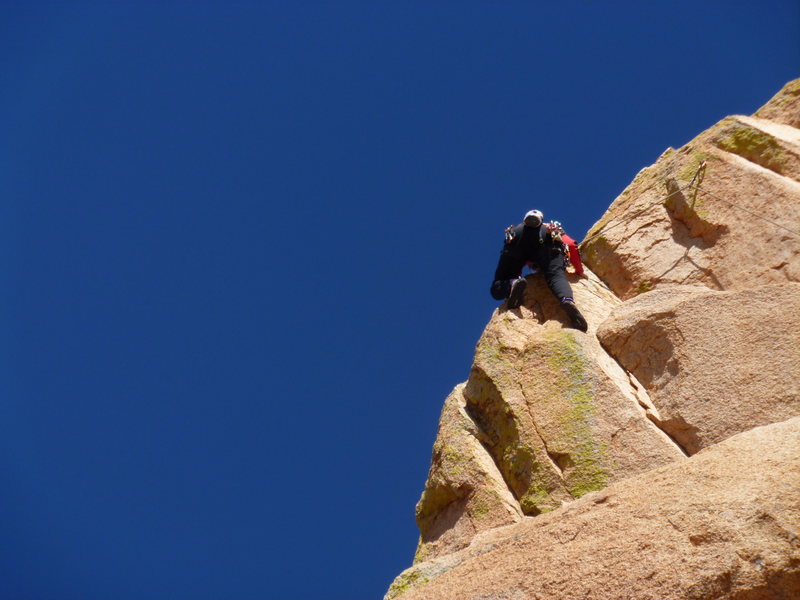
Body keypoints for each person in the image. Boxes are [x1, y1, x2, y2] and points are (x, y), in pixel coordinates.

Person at [490, 209, 588, 332]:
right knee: (555, 276)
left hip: (516, 246)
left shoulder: (517, 231)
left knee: (500, 281)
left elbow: (515, 263)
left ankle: (512, 284)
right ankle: (567, 300)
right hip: (550, 249)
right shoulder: (552, 229)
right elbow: (571, 245)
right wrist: (579, 270)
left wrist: (516, 279)